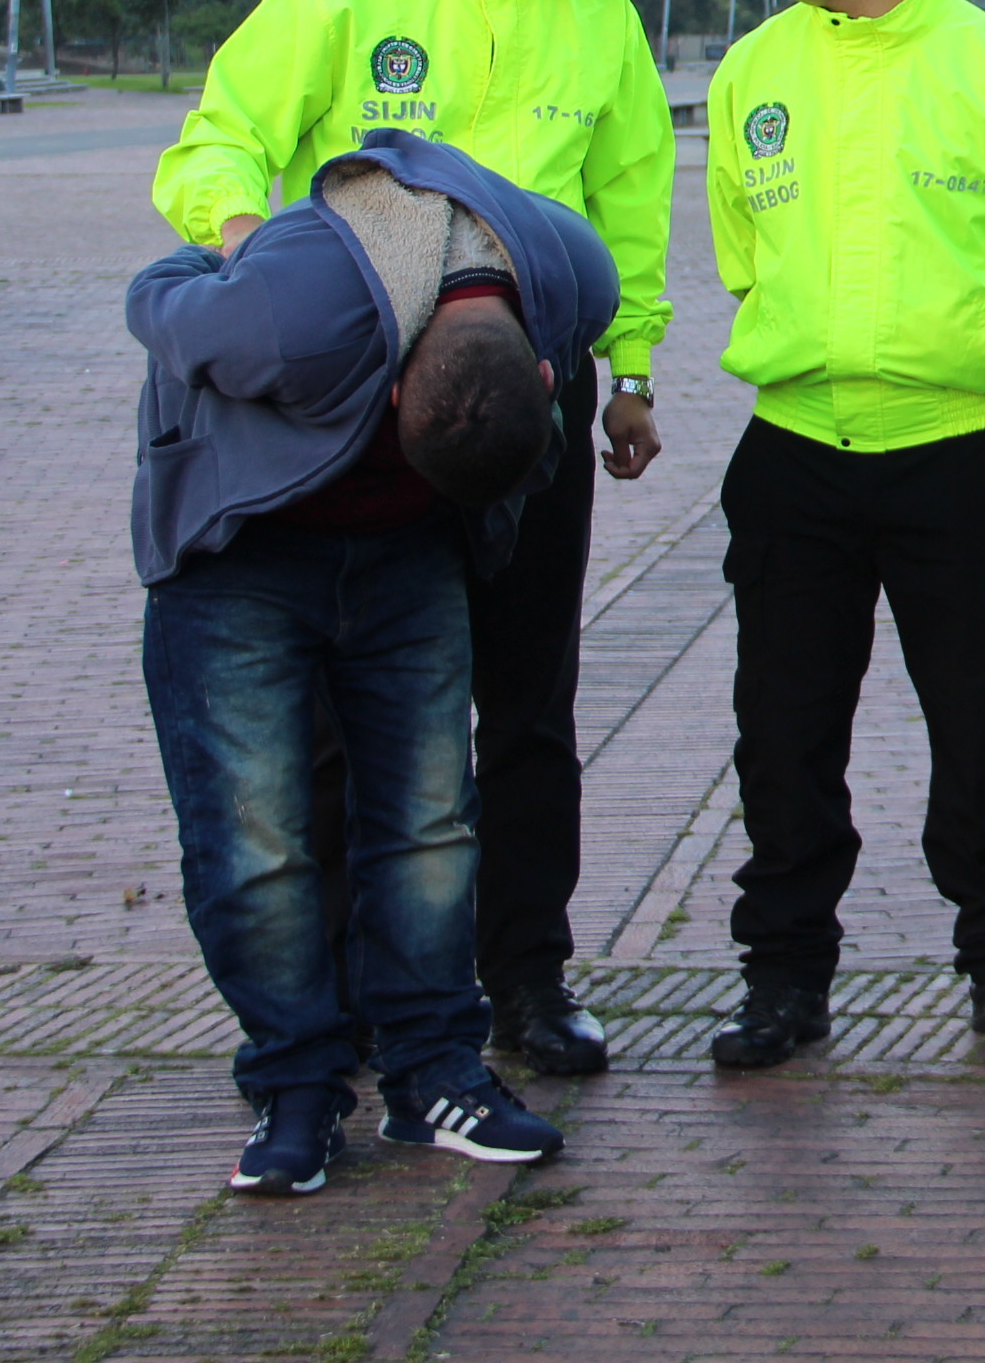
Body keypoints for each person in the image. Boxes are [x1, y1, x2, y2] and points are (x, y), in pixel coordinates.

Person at [151, 0, 672, 1078]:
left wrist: (634, 371)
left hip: (530, 399)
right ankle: (343, 991)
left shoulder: (599, 13)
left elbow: (632, 200)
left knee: (530, 699)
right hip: (368, 410)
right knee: (347, 710)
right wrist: (252, 247)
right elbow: (216, 141)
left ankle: (526, 977)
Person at [131, 132, 619, 1196]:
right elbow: (152, 301)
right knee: (254, 838)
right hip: (243, 545)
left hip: (407, 557)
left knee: (429, 824)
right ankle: (294, 1084)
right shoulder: (285, 315)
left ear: (548, 372)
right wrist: (219, 259)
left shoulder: (575, 281)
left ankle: (433, 1071)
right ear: (392, 394)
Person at [699, 0, 985, 1069]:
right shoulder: (750, 72)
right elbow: (742, 256)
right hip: (795, 451)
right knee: (784, 731)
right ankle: (783, 975)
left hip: (959, 452)